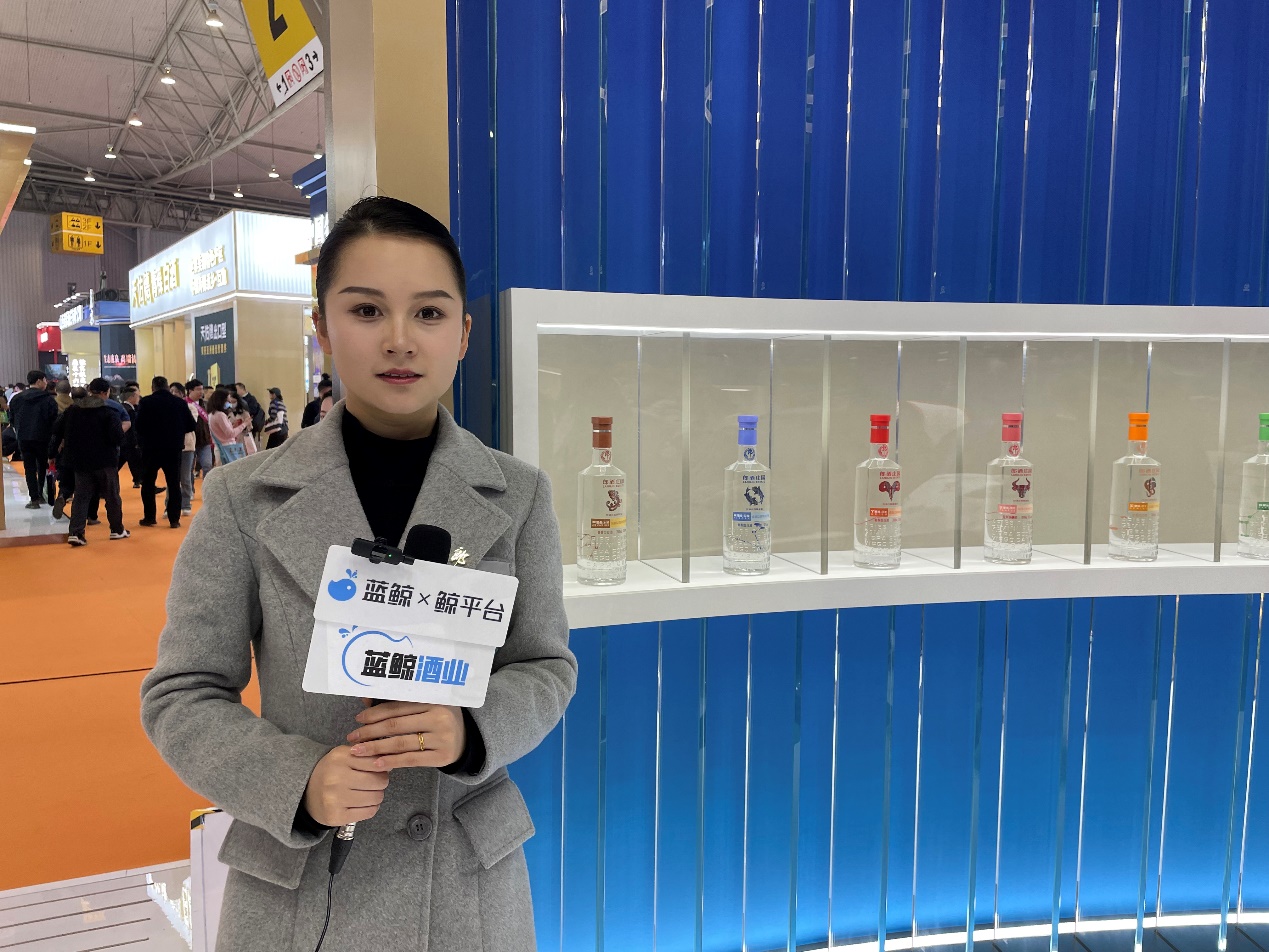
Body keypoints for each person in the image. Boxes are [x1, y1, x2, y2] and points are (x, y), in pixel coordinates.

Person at [140, 196, 576, 952]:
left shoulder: (519, 495)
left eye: (429, 313)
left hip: (465, 886)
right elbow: (182, 693)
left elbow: (545, 666)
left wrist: (472, 730)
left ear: (463, 334)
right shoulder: (244, 497)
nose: (399, 339)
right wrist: (295, 781)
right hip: (300, 887)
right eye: (367, 310)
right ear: (322, 328)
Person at [58, 377, 128, 546]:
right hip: (105, 461)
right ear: (106, 392)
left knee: (81, 497)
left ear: (90, 391)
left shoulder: (73, 410)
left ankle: (76, 532)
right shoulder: (108, 412)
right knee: (112, 496)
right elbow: (117, 437)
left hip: (80, 461)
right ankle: (117, 529)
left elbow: (57, 429)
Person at [135, 376, 194, 529]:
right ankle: (174, 520)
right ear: (168, 387)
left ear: (153, 387)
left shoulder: (146, 402)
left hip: (151, 449)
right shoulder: (180, 403)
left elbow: (139, 425)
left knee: (148, 483)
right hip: (173, 449)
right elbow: (191, 425)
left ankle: (149, 517)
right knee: (174, 484)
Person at [8, 370, 59, 508]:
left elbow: (12, 418)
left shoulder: (17, 399)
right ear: (39, 381)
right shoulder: (49, 399)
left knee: (29, 467)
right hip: (43, 438)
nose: (46, 383)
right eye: (45, 380)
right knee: (42, 466)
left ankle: (34, 499)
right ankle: (41, 494)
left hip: (23, 438)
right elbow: (54, 420)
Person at [206, 388, 250, 464]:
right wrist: (245, 424)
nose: (229, 404)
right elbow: (231, 434)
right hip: (227, 448)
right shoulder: (220, 415)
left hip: (220, 448)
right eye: (228, 401)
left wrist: (233, 426)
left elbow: (222, 430)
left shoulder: (211, 414)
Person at [185, 379, 214, 483]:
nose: (201, 392)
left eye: (202, 389)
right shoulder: (184, 404)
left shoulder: (206, 404)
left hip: (204, 440)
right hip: (190, 442)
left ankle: (207, 487)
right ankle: (190, 489)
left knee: (208, 465)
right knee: (188, 468)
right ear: (190, 391)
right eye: (198, 389)